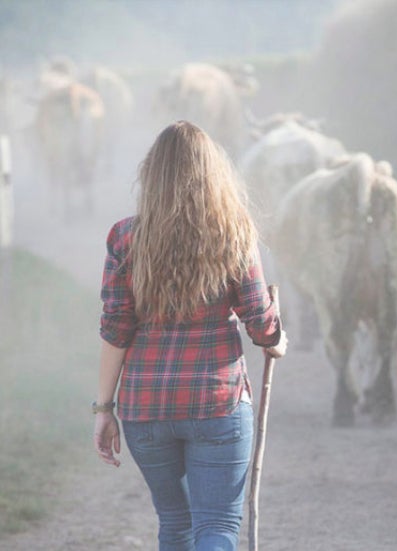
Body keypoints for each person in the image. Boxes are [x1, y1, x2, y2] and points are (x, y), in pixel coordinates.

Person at [93, 120, 287, 551]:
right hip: (216, 403)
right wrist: (276, 338)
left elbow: (116, 328)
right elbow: (258, 318)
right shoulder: (234, 232)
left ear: (151, 173)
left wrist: (104, 408)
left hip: (144, 409)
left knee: (175, 524)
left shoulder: (125, 237)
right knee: (216, 525)